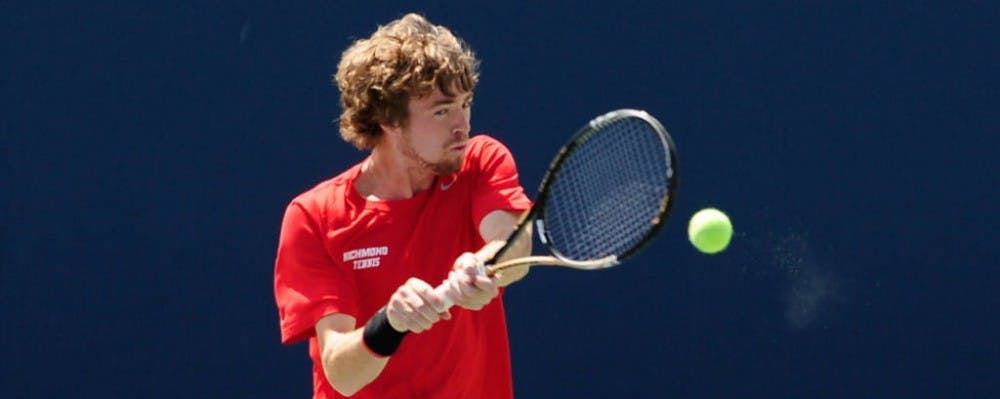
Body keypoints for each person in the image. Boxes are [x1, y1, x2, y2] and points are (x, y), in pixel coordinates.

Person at [274, 13, 532, 399]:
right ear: (388, 118)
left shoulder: (481, 161)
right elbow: (342, 375)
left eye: (467, 103)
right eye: (442, 111)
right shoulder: (315, 217)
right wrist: (391, 323)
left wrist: (484, 268)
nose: (463, 125)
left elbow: (514, 248)